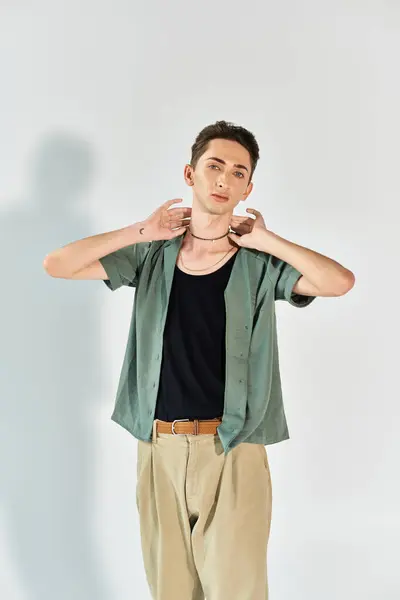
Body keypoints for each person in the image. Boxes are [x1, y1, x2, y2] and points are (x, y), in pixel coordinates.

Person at [43, 120, 355, 600]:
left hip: (232, 448)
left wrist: (267, 241)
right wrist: (141, 230)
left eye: (237, 171)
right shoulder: (151, 254)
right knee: (170, 590)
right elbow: (57, 265)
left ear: (247, 187)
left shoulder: (258, 263)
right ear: (190, 174)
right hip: (158, 446)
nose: (224, 179)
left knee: (236, 591)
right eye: (214, 166)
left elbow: (339, 282)